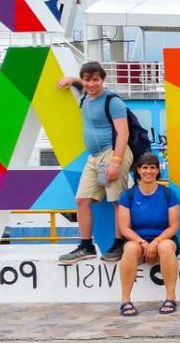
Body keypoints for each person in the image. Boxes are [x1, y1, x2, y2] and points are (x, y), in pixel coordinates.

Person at [56, 62, 133, 265]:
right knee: (82, 199)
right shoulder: (85, 96)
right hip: (94, 156)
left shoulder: (113, 101)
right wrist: (71, 79)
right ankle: (86, 246)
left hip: (114, 153)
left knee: (117, 201)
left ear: (103, 80)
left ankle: (119, 243)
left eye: (95, 79)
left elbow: (123, 133)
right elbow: (80, 85)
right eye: (87, 79)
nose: (91, 84)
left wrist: (116, 162)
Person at [114, 153, 180, 316]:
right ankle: (125, 300)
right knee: (129, 249)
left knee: (166, 247)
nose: (148, 171)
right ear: (138, 170)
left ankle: (170, 297)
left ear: (158, 170)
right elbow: (124, 228)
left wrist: (156, 242)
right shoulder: (128, 195)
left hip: (164, 238)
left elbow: (173, 226)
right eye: (145, 168)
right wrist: (143, 243)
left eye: (152, 168)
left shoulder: (168, 194)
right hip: (138, 240)